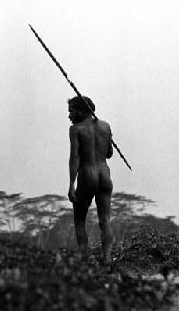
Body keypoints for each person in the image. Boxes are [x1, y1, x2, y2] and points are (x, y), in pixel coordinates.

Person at [67, 96, 114, 265]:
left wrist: (72, 183)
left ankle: (86, 260)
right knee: (105, 219)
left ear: (82, 110)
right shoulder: (106, 126)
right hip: (104, 175)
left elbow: (74, 157)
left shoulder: (76, 129)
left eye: (71, 111)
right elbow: (109, 153)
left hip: (87, 174)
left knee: (79, 219)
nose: (69, 116)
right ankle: (107, 258)